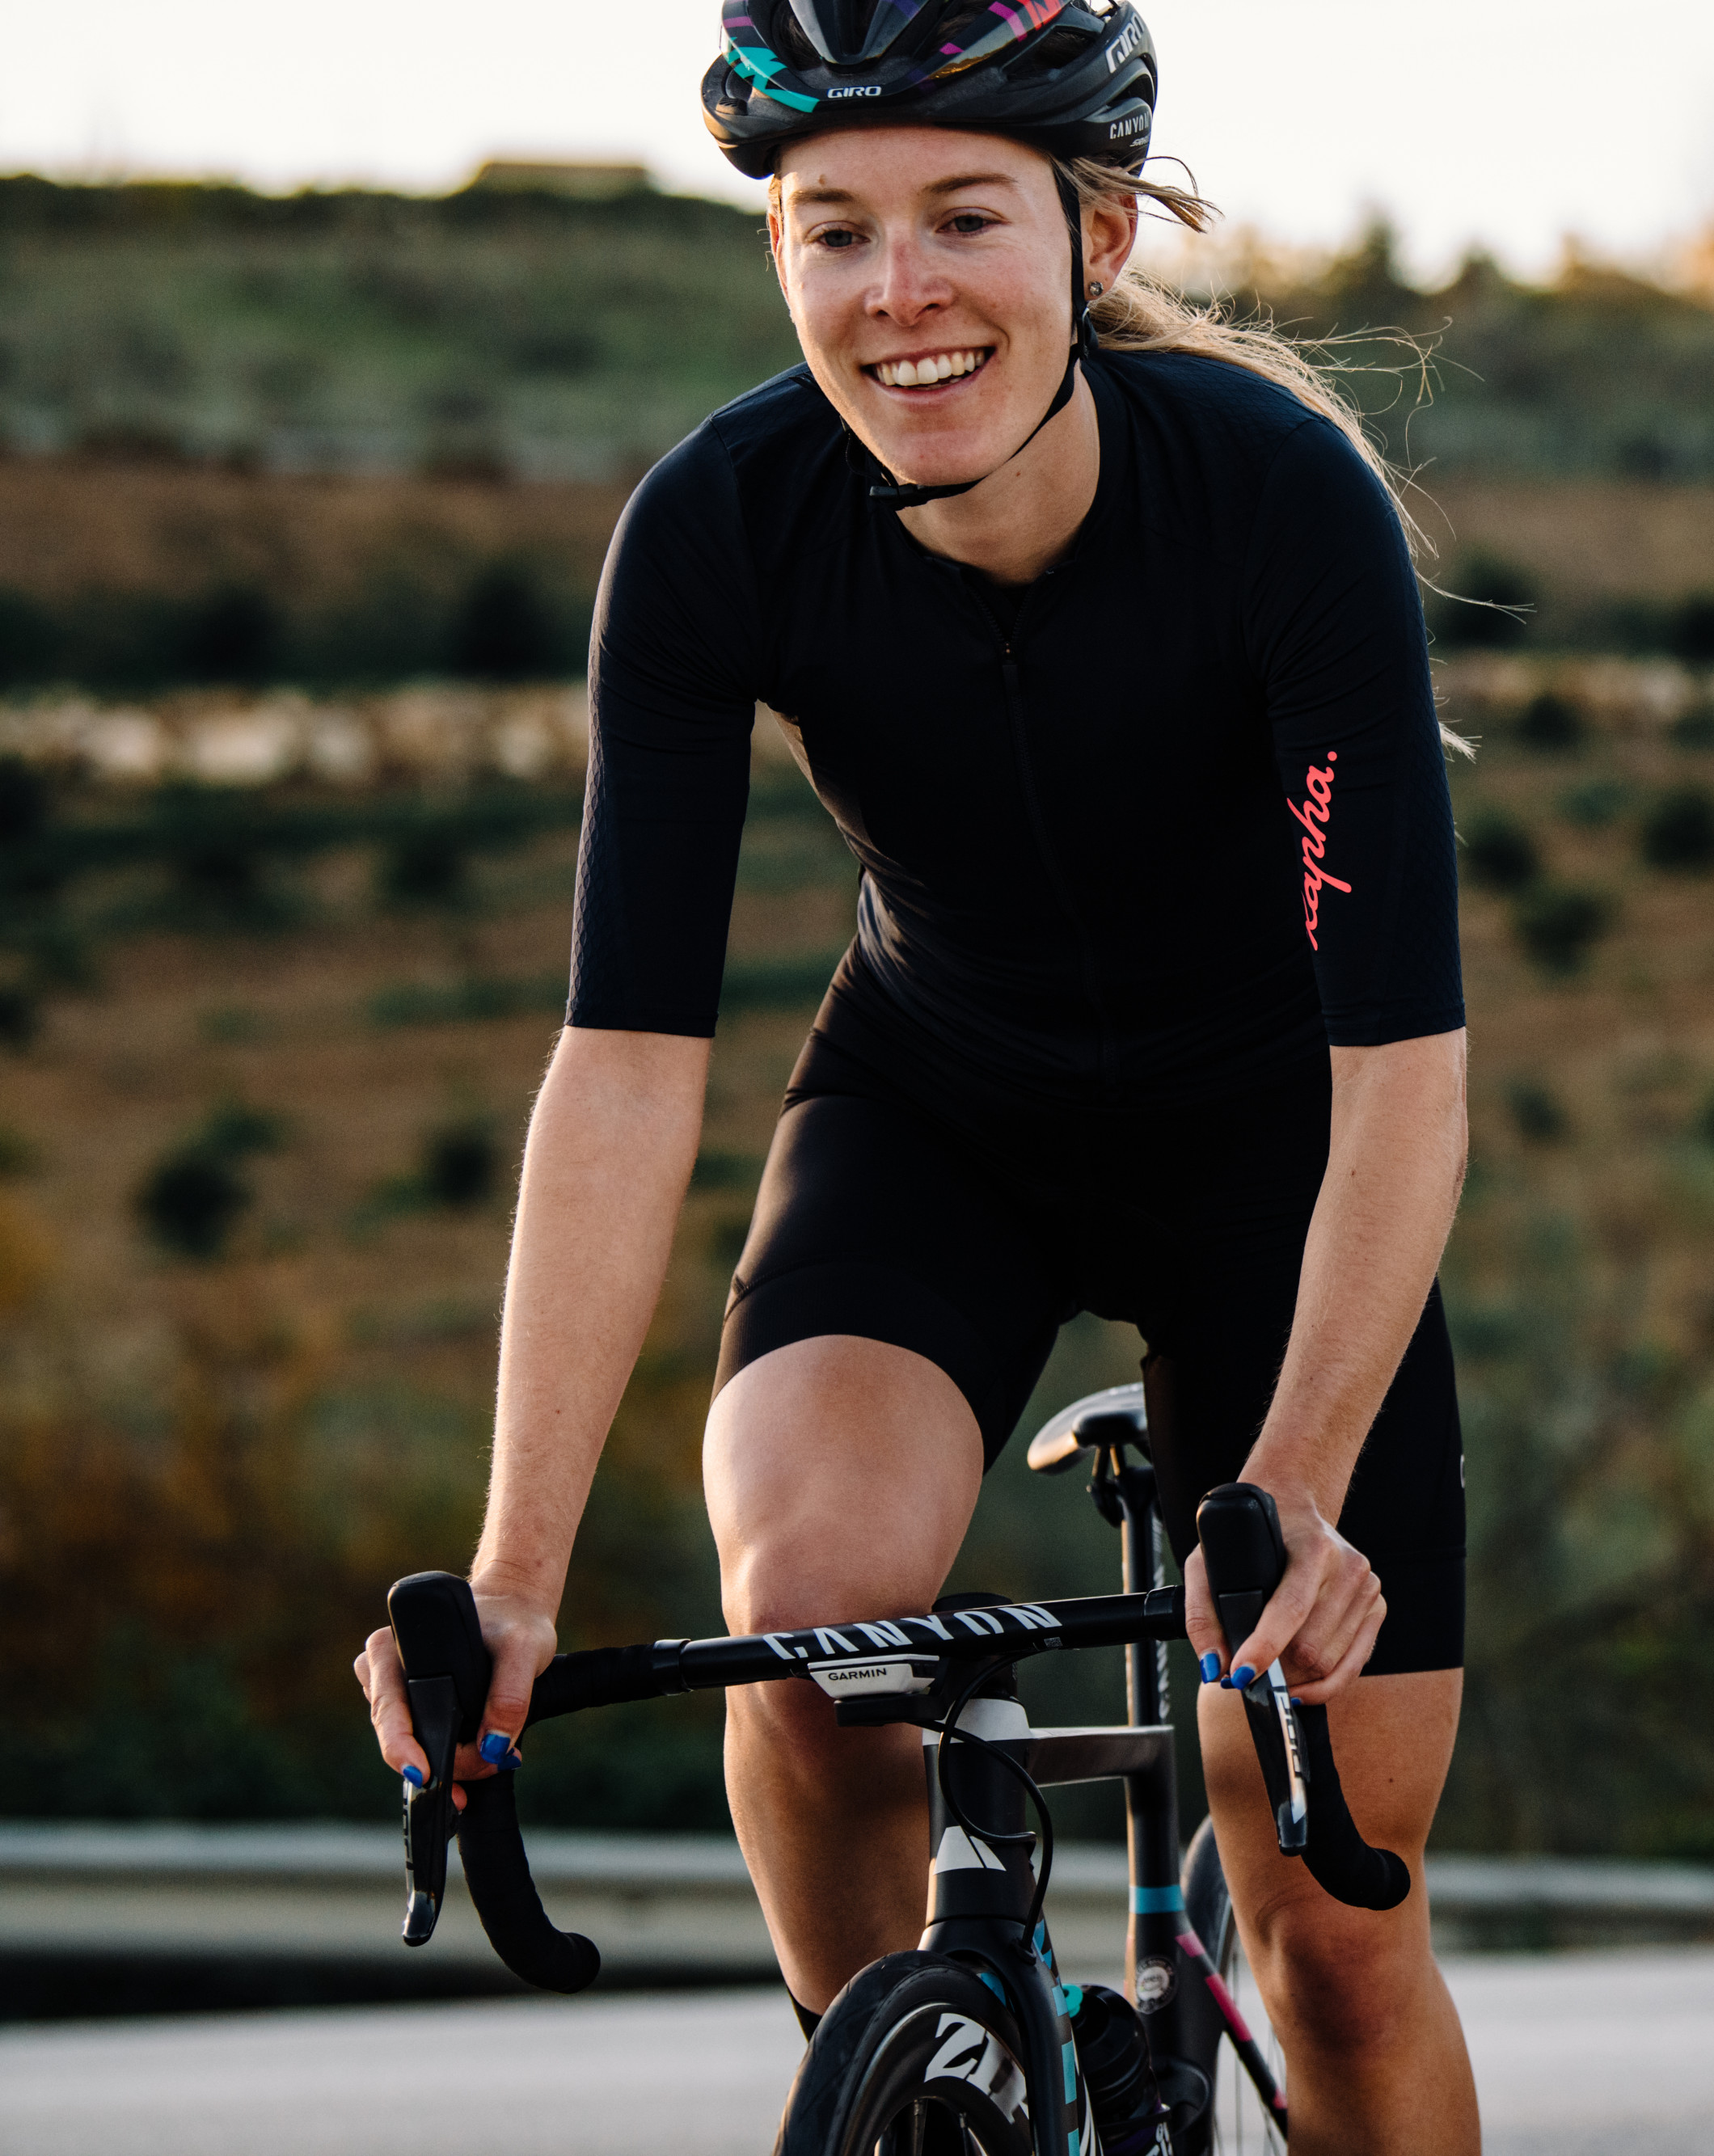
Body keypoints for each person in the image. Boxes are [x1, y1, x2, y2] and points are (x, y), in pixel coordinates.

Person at [352, 4, 1484, 2146]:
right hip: (941, 1110)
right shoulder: (719, 525)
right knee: (808, 1633)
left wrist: (1307, 1478)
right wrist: (512, 1570)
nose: (900, 292)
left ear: (1095, 233)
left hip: (1282, 1150)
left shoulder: (1272, 498)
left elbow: (1400, 1063)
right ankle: (908, 2085)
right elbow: (623, 1062)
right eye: (834, 229)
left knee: (1333, 1920)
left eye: (965, 217)